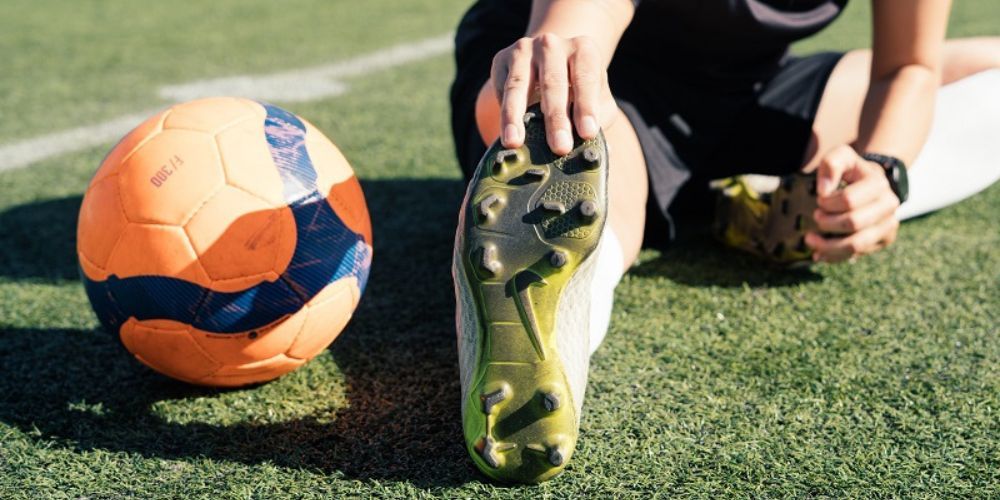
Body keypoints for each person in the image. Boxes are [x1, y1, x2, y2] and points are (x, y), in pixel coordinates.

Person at [449, 0, 1000, 483]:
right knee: (576, 149)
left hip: (751, 86)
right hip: (606, 80)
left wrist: (884, 168)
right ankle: (541, 332)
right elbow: (587, 17)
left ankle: (750, 198)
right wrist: (565, 66)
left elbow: (908, 66)